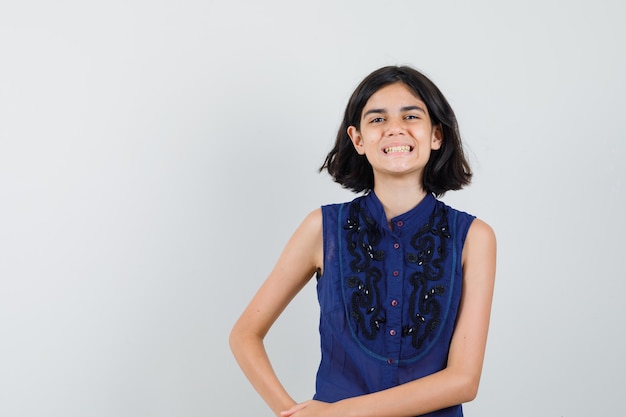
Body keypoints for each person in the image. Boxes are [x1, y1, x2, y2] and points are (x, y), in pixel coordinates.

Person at [229, 65, 496, 417]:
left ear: (436, 135)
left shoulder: (473, 238)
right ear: (357, 139)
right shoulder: (322, 228)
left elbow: (463, 380)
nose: (395, 129)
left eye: (411, 116)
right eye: (377, 120)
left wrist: (334, 413)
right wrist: (292, 412)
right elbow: (245, 335)